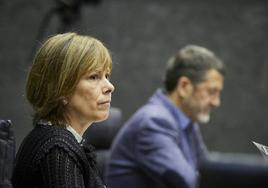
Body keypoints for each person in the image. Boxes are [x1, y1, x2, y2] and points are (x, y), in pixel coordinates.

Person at [106, 45, 225, 188]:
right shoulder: (153, 122)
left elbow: (210, 175)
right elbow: (191, 184)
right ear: (184, 86)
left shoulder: (187, 121)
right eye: (212, 92)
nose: (216, 102)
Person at [12, 32, 115, 188]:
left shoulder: (59, 141)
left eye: (107, 75)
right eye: (94, 77)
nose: (109, 87)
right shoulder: (58, 149)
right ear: (61, 90)